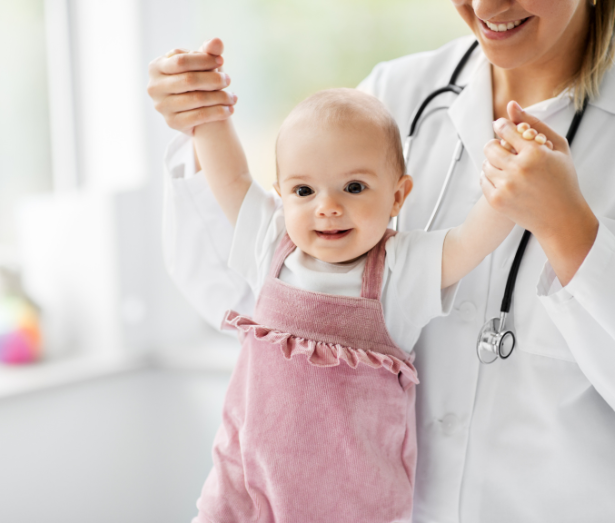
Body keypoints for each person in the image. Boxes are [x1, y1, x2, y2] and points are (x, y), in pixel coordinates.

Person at [147, 0, 615, 521]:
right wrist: (202, 120)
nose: (484, 7)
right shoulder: (390, 97)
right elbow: (257, 299)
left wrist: (571, 233)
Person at [188, 83, 523, 521]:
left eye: (354, 187)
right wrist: (208, 108)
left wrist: (513, 183)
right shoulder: (270, 242)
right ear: (281, 194)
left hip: (351, 507)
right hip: (247, 493)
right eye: (304, 191)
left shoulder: (398, 270)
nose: (327, 206)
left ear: (398, 196)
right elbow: (230, 177)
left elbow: (467, 244)